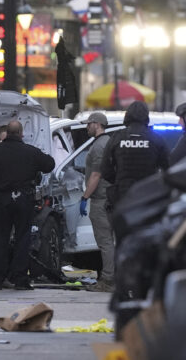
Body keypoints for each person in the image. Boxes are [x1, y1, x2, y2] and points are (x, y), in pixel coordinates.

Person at [0, 120, 55, 290]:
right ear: (21, 134)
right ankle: (20, 280)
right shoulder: (30, 151)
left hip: (2, 201)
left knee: (1, 239)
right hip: (24, 200)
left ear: (7, 134)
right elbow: (49, 164)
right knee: (22, 239)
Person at [101, 101, 169, 214]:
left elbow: (105, 169)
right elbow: (168, 167)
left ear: (127, 115)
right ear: (146, 116)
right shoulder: (156, 139)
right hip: (148, 196)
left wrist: (119, 180)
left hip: (123, 197)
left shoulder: (117, 137)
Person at [79, 112, 114, 292]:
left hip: (101, 198)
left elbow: (96, 174)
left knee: (105, 240)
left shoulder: (100, 146)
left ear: (97, 124)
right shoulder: (107, 143)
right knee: (111, 240)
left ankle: (108, 280)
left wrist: (85, 197)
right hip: (109, 197)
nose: (86, 127)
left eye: (89, 124)